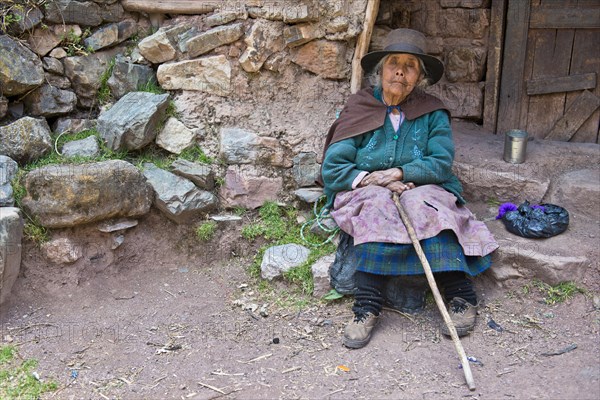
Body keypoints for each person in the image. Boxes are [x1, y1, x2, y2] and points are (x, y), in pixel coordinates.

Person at [320, 29, 498, 349]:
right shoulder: (360, 106)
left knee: (428, 207)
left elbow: (440, 163)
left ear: (420, 77)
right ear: (381, 71)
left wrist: (400, 172)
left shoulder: (432, 112)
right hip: (368, 188)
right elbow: (334, 169)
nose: (400, 71)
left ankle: (460, 295)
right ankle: (366, 307)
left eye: (410, 65)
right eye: (393, 63)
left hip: (422, 184)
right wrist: (370, 179)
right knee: (376, 206)